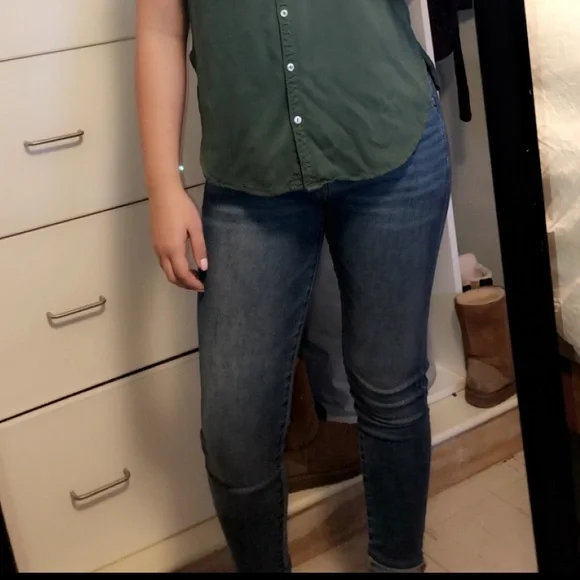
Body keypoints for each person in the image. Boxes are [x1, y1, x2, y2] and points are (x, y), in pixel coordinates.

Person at [135, 0, 451, 573]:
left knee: (390, 389)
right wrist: (164, 185)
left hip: (390, 139)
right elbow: (159, 27)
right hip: (248, 180)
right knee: (235, 435)